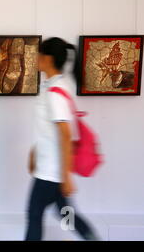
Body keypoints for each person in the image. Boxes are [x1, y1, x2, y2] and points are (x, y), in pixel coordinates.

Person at [25, 37, 98, 241]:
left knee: (34, 215)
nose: (36, 58)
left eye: (39, 54)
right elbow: (47, 130)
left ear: (47, 58)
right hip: (50, 168)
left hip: (51, 172)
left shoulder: (55, 92)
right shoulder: (53, 86)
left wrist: (66, 177)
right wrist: (34, 153)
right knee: (66, 214)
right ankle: (92, 238)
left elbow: (65, 134)